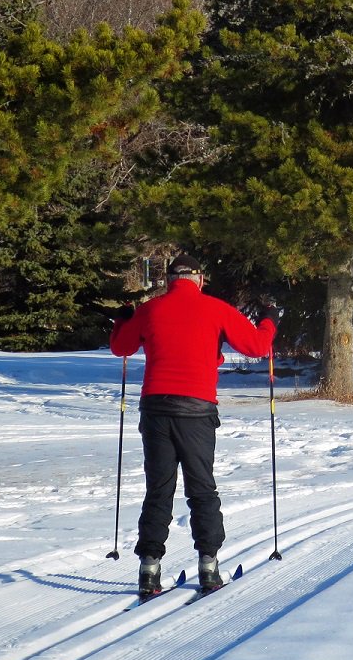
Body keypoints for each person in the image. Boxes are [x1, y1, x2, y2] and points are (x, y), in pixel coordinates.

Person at [110, 254, 276, 598]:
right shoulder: (216, 309)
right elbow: (258, 346)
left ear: (170, 280)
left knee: (159, 489)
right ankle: (209, 566)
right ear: (199, 279)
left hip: (155, 408)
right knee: (202, 489)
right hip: (197, 411)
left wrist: (122, 319)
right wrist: (269, 322)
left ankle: (149, 569)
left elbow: (120, 347)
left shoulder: (150, 310)